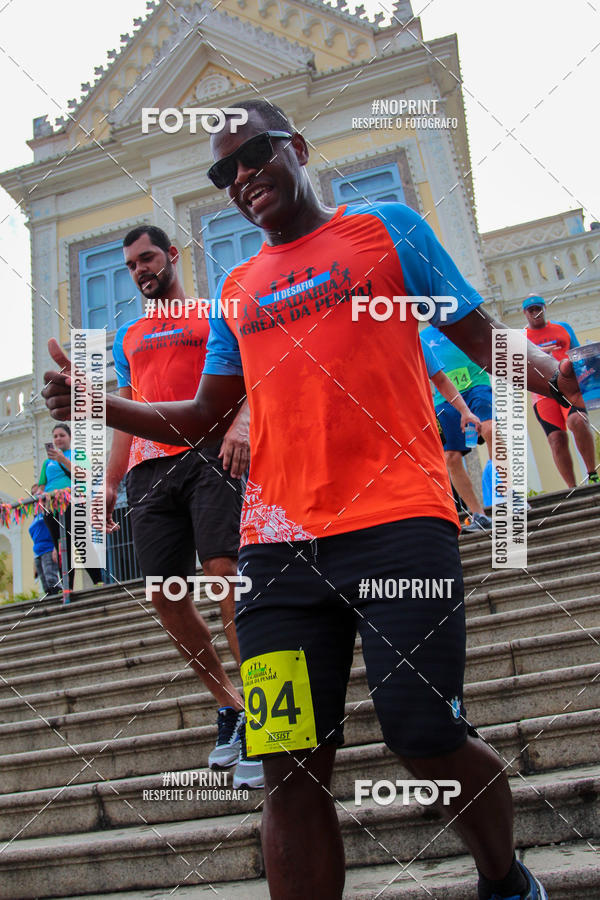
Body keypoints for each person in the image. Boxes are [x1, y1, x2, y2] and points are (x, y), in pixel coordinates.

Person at [43, 100, 587, 900]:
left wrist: (551, 378)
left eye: (254, 154)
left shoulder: (388, 230)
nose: (241, 177)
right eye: (224, 171)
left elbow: (480, 341)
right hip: (276, 552)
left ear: (296, 147)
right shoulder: (237, 289)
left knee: (423, 731)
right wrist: (97, 404)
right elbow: (199, 418)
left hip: (402, 523)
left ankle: (505, 879)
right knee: (289, 765)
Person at [106, 224, 262, 789]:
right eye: (131, 265)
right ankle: (230, 704)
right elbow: (124, 409)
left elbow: (248, 377)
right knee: (164, 596)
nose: (141, 270)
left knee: (224, 573)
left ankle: (264, 717)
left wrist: (242, 423)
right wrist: (107, 484)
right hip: (150, 471)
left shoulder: (213, 311)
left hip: (208, 451)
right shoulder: (128, 335)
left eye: (148, 258)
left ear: (172, 256)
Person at [420, 326, 496, 533]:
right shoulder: (421, 336)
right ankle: (478, 513)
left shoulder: (461, 322)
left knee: (490, 430)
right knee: (451, 457)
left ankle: (508, 495)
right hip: (443, 399)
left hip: (476, 385)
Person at [523, 295, 598, 487]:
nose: (535, 313)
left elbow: (578, 353)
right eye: (531, 310)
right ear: (525, 313)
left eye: (538, 308)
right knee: (556, 439)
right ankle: (572, 488)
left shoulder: (562, 328)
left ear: (544, 308)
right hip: (543, 393)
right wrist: (541, 353)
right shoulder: (522, 337)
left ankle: (592, 474)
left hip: (569, 387)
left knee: (578, 421)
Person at [37, 423, 104, 591]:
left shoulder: (78, 454)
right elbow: (41, 486)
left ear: (70, 437)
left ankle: (99, 581)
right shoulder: (47, 463)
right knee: (61, 546)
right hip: (52, 507)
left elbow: (85, 475)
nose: (58, 439)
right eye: (55, 436)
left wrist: (63, 460)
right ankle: (68, 587)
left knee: (81, 542)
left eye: (62, 435)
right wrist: (41, 495)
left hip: (74, 503)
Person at [29, 484, 60, 595]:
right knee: (45, 584)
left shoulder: (48, 510)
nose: (35, 495)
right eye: (32, 493)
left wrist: (55, 549)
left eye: (37, 492)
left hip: (48, 549)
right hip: (38, 553)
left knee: (51, 579)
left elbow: (55, 531)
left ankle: (59, 598)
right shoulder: (35, 515)